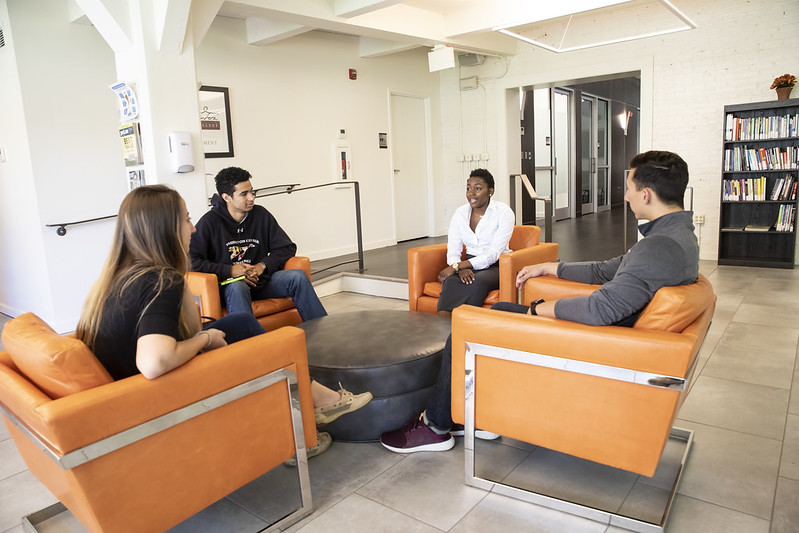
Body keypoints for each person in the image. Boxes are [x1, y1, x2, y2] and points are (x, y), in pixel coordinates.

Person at [380, 150, 699, 453]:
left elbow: (600, 308)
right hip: (608, 333)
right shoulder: (678, 238)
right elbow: (607, 269)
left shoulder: (659, 248)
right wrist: (552, 267)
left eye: (628, 188)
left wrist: (537, 309)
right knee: (502, 310)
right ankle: (471, 416)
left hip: (593, 344)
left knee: (464, 330)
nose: (625, 195)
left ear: (646, 195)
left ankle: (434, 427)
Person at [76, 185, 370, 462]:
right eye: (186, 220)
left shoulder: (117, 279)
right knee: (256, 349)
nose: (192, 228)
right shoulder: (159, 280)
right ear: (164, 229)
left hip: (124, 397)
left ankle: (312, 397)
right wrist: (205, 339)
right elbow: (154, 361)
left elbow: (178, 332)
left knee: (241, 324)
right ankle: (304, 424)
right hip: (151, 401)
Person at [189, 166, 327, 322]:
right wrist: (230, 270)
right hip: (230, 286)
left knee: (298, 277)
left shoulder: (261, 215)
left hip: (260, 283)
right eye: (244, 194)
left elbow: (286, 247)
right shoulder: (209, 222)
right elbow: (192, 261)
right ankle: (250, 342)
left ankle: (322, 331)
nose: (251, 198)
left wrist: (262, 265)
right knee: (237, 287)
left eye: (251, 192)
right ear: (226, 197)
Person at [436, 168, 515, 317]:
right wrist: (459, 268)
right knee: (451, 280)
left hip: (498, 265)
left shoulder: (504, 213)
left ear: (490, 191)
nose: (471, 193)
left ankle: (465, 322)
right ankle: (442, 322)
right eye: (468, 188)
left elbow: (493, 254)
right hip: (468, 262)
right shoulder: (460, 213)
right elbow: (453, 248)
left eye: (478, 188)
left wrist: (457, 266)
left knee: (476, 281)